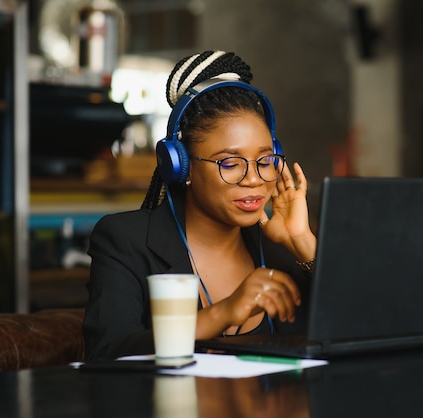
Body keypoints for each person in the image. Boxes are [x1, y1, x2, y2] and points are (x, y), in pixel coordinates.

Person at [83, 50, 317, 361]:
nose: (253, 179)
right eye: (230, 163)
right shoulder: (126, 241)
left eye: (265, 160)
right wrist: (219, 315)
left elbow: (368, 328)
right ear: (181, 166)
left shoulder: (282, 250)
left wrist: (303, 243)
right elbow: (105, 354)